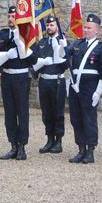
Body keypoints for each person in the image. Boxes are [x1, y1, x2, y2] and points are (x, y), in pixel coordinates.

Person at [0, 6, 36, 160]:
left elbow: (33, 59)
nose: (11, 19)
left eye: (14, 16)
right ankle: (13, 145)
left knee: (22, 112)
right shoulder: (2, 34)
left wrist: (20, 45)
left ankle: (22, 146)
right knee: (9, 113)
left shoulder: (27, 35)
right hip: (7, 77)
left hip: (21, 78)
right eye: (9, 16)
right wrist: (5, 55)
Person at [66, 14, 102, 164]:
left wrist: (98, 92)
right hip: (75, 86)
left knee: (89, 119)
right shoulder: (77, 44)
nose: (86, 30)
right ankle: (81, 149)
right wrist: (61, 45)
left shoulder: (101, 48)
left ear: (97, 30)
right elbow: (64, 56)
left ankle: (90, 150)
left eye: (89, 28)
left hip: (90, 87)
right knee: (76, 118)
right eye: (85, 27)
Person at [32, 15, 68, 154]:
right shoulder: (42, 42)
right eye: (47, 25)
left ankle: (58, 140)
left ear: (57, 26)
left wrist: (60, 51)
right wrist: (40, 63)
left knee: (58, 112)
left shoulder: (62, 41)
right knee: (46, 112)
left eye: (52, 25)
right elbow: (34, 60)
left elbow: (66, 63)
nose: (49, 28)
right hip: (45, 80)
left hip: (57, 81)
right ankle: (49, 139)